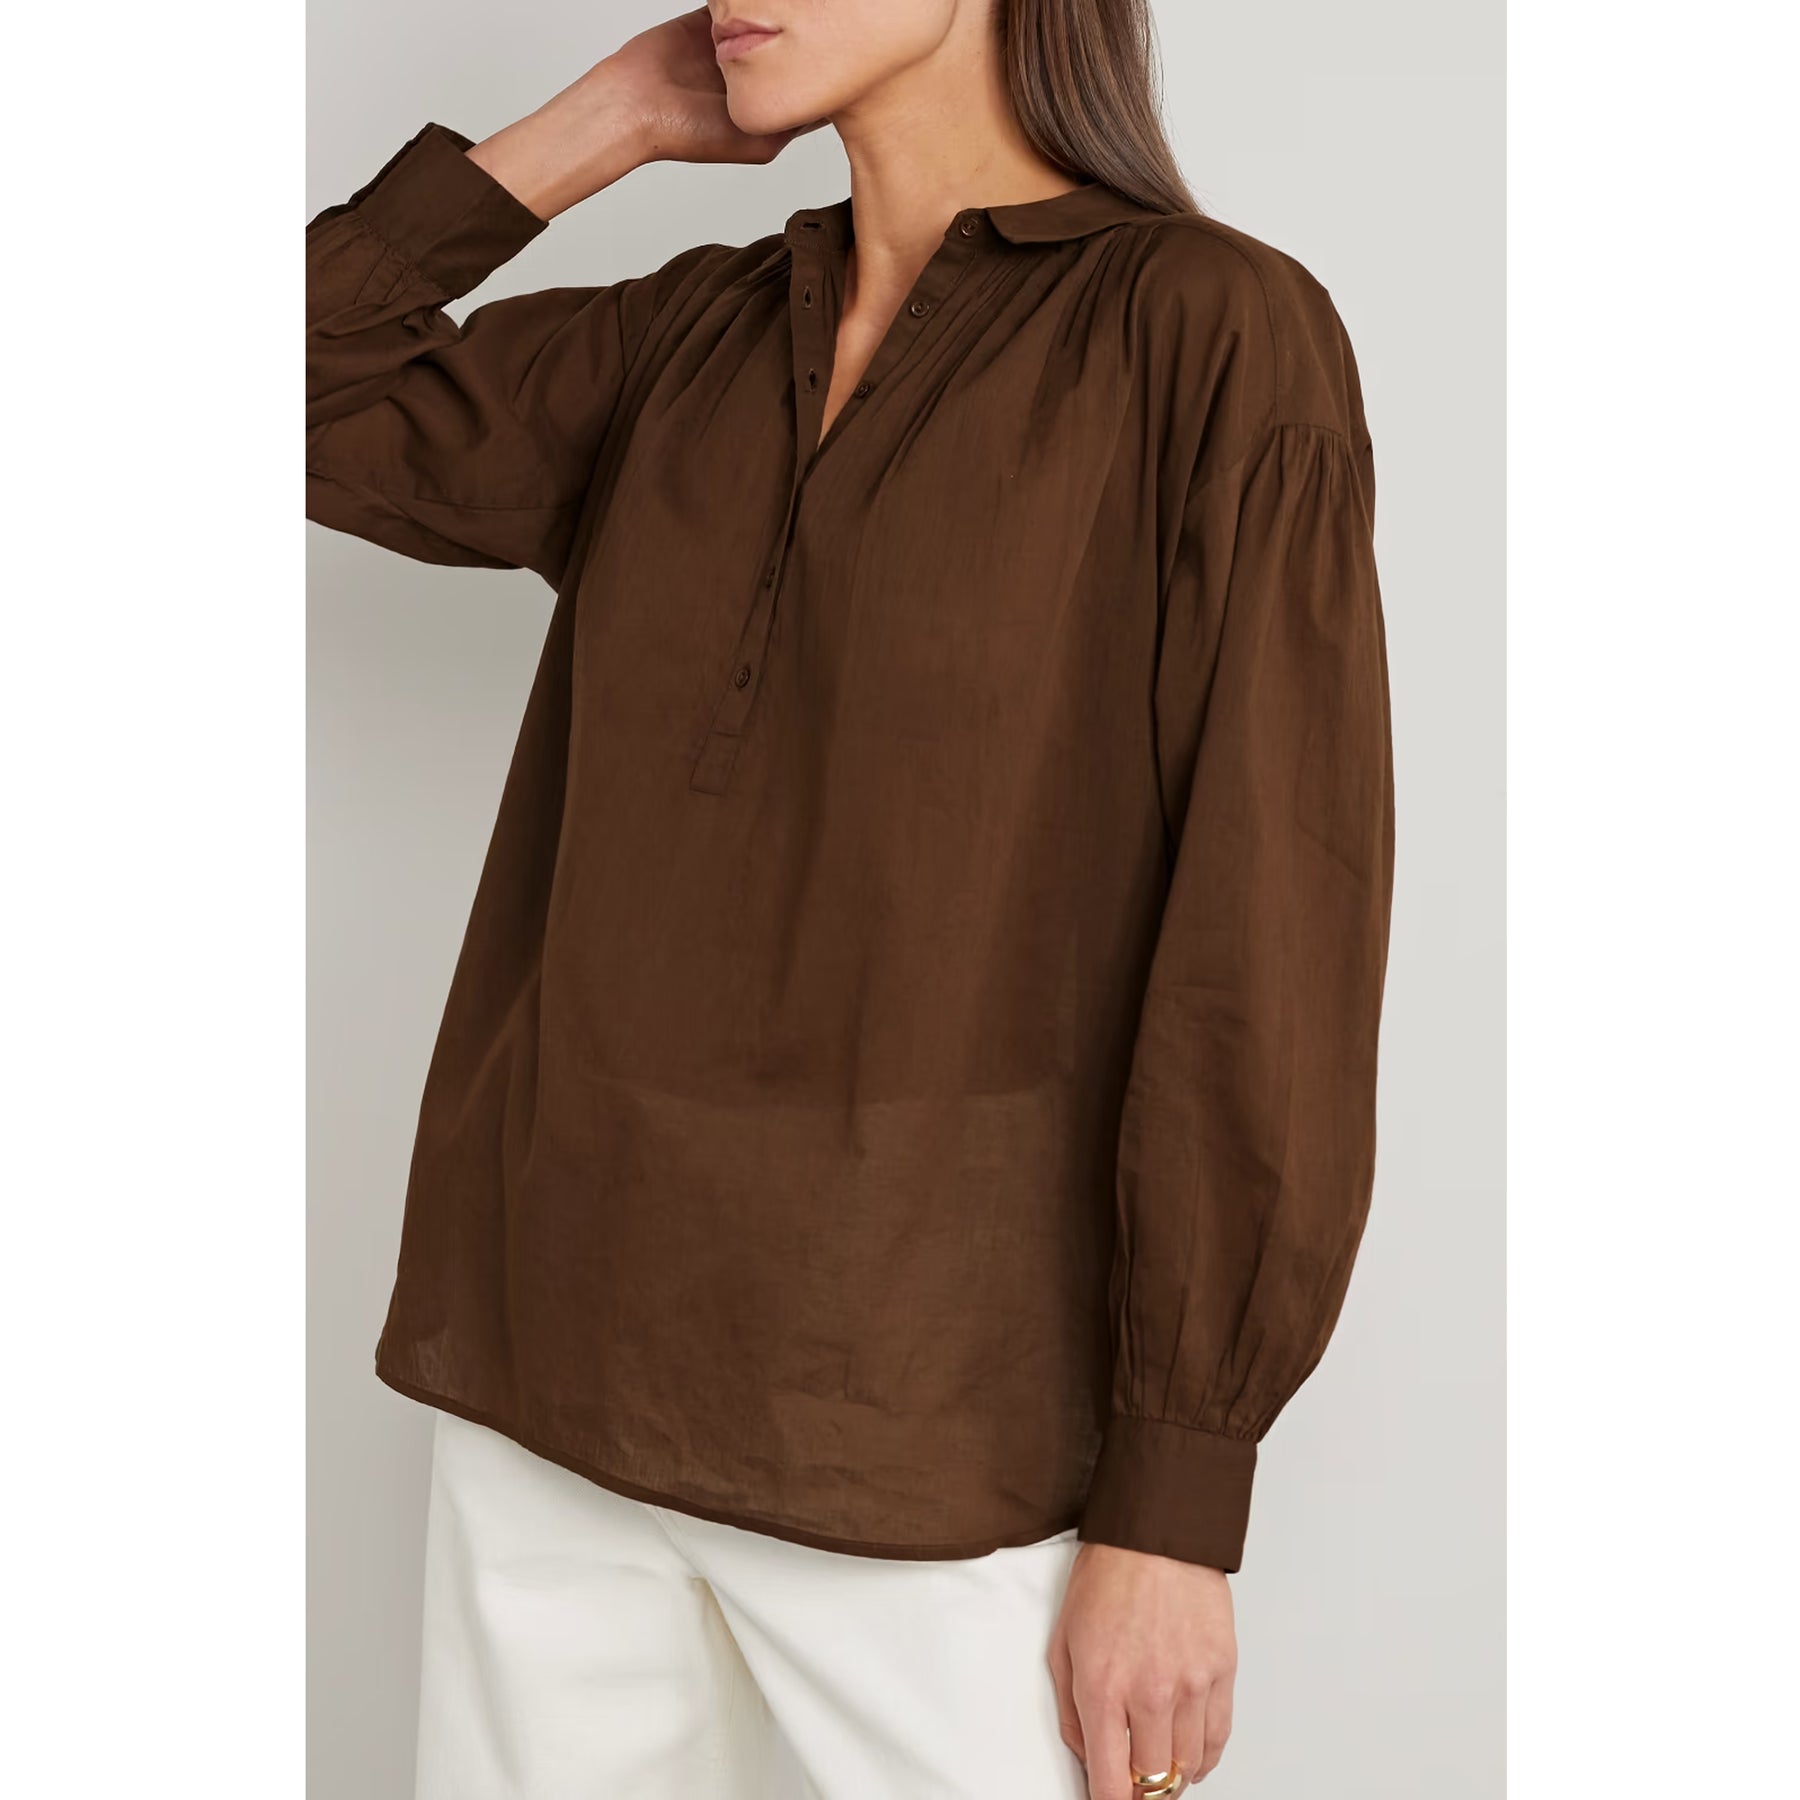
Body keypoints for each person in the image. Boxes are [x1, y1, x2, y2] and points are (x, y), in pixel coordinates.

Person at [305, 3, 1396, 1796]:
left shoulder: (1208, 331)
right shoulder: (693, 336)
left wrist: (1176, 1499)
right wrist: (604, 121)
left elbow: (1270, 934)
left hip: (931, 1434)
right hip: (546, 1375)